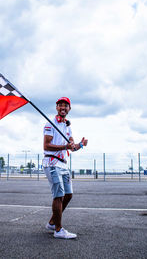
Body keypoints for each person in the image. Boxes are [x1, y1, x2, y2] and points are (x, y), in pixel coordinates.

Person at [43, 97, 88, 239]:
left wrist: (80, 145)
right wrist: (65, 146)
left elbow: (72, 147)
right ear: (57, 107)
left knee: (68, 195)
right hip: (52, 163)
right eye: (60, 105)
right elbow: (46, 145)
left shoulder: (68, 126)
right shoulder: (50, 124)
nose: (63, 107)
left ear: (69, 109)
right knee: (58, 196)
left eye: (66, 105)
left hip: (63, 163)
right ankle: (58, 230)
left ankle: (52, 222)